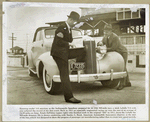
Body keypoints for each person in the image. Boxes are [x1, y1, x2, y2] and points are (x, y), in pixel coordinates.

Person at [51, 11, 86, 103]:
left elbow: (69, 39)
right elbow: (59, 42)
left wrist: (70, 42)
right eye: (75, 22)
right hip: (59, 54)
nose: (75, 24)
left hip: (65, 52)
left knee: (83, 50)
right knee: (65, 75)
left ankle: (75, 68)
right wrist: (69, 44)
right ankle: (69, 97)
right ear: (70, 19)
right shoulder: (61, 27)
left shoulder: (69, 28)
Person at [97, 24, 131, 90]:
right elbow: (102, 43)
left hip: (122, 52)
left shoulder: (115, 37)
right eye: (104, 31)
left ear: (110, 31)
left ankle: (122, 84)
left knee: (122, 67)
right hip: (116, 53)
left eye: (107, 31)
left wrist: (103, 49)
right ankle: (127, 82)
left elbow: (113, 48)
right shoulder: (105, 37)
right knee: (124, 68)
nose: (105, 32)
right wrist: (99, 44)